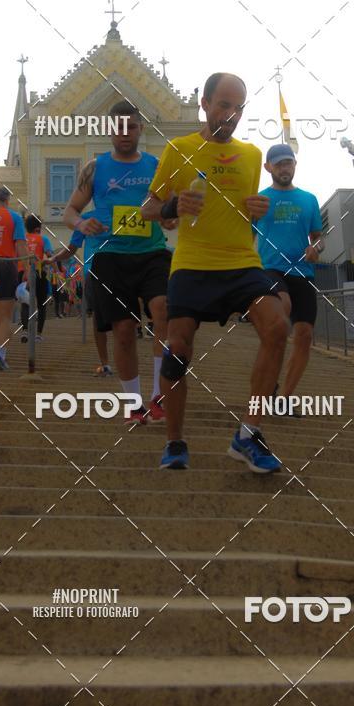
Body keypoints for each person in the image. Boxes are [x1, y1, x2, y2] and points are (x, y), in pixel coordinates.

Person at [142, 72, 288, 472]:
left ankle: (248, 436)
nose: (231, 113)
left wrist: (256, 210)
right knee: (178, 351)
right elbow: (149, 210)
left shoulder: (253, 155)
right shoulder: (179, 149)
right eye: (224, 104)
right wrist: (173, 208)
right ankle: (174, 442)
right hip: (192, 264)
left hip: (242, 262)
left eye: (239, 106)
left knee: (277, 327)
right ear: (204, 104)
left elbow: (242, 209)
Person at [64, 100, 175, 424]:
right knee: (124, 330)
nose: (125, 133)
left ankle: (158, 396)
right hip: (110, 256)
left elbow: (168, 212)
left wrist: (170, 219)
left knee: (164, 309)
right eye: (119, 127)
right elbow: (70, 211)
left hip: (152, 252)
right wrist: (83, 224)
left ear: (141, 129)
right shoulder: (95, 168)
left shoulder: (156, 166)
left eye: (131, 126)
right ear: (110, 131)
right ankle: (134, 403)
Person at [254, 144, 324, 401]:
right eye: (279, 163)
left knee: (304, 335)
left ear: (295, 164)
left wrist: (315, 247)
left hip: (303, 272)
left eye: (288, 163)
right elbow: (245, 236)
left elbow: (318, 237)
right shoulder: (260, 200)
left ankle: (284, 397)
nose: (285, 168)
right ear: (268, 167)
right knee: (281, 312)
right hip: (270, 269)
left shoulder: (309, 199)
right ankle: (268, 376)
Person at [50, 220, 114, 375]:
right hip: (115, 269)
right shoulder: (127, 209)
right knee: (121, 320)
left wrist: (53, 259)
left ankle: (105, 364)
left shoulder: (85, 218)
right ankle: (116, 364)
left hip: (94, 270)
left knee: (99, 320)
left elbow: (70, 250)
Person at [0, 186, 28, 370]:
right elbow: (21, 245)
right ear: (7, 200)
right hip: (6, 265)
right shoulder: (14, 217)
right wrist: (27, 269)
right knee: (5, 316)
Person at [19, 214, 52, 343]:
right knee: (41, 303)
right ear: (38, 227)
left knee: (25, 302)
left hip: (23, 272)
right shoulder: (43, 239)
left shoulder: (22, 240)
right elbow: (49, 255)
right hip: (38, 272)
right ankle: (38, 334)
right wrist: (55, 269)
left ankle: (25, 331)